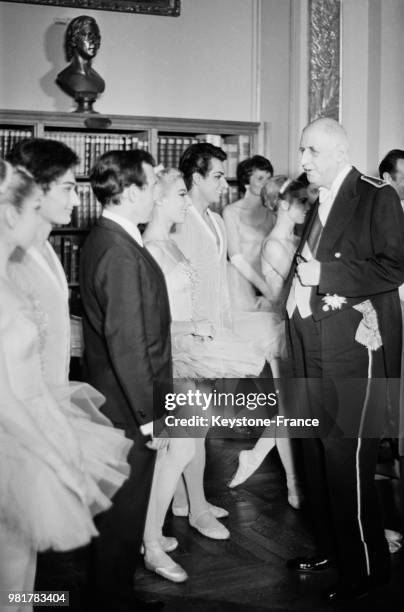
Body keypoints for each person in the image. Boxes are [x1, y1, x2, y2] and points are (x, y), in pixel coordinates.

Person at [0, 159, 130, 612]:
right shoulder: (10, 268)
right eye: (67, 188)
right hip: (15, 428)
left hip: (39, 407)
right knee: (11, 564)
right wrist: (56, 452)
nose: (79, 199)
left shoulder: (39, 252)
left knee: (21, 566)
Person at [285, 117, 404, 603]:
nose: (304, 161)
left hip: (354, 352)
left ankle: (367, 569)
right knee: (317, 457)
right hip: (312, 345)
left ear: (338, 151)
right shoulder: (322, 199)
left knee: (347, 460)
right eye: (302, 151)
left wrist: (326, 274)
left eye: (311, 151)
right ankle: (335, 550)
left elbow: (395, 265)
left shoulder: (377, 195)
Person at [80, 149, 171, 612]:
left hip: (118, 400)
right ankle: (111, 600)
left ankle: (112, 593)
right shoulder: (117, 249)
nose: (157, 191)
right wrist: (150, 417)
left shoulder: (109, 238)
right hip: (128, 408)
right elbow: (128, 343)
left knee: (121, 509)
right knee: (122, 511)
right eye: (153, 182)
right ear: (132, 190)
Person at [169, 144, 267, 540]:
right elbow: (177, 281)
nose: (223, 184)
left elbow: (220, 276)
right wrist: (191, 330)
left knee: (192, 425)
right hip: (190, 335)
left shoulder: (212, 218)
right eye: (215, 176)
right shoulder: (182, 219)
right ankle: (196, 509)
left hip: (211, 328)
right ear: (195, 178)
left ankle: (183, 500)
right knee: (191, 425)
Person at [228, 178, 309, 510]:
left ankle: (256, 456)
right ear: (285, 205)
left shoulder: (291, 239)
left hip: (292, 326)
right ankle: (293, 485)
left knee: (291, 410)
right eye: (302, 202)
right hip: (280, 329)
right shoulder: (274, 244)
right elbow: (281, 295)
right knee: (290, 410)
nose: (308, 206)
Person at [223, 155, 274, 311]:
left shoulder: (273, 213)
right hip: (240, 284)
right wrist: (266, 290)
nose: (266, 183)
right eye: (260, 178)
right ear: (246, 181)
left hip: (270, 284)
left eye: (268, 178)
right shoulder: (230, 211)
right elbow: (236, 257)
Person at [56, 15, 105, 112]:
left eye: (96, 37)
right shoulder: (65, 77)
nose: (94, 42)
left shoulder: (99, 81)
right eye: (88, 35)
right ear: (74, 39)